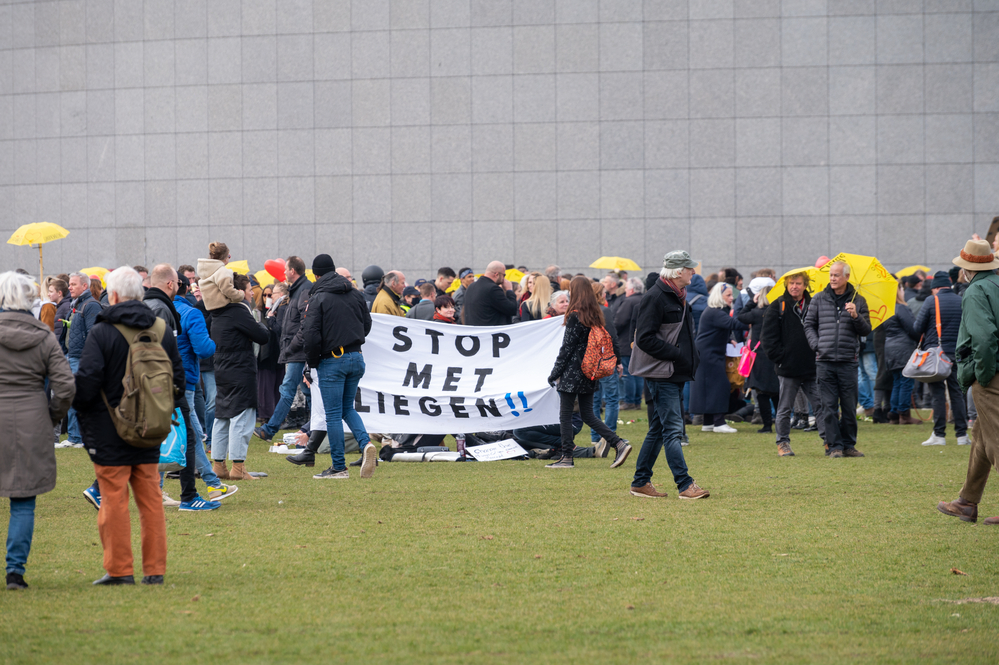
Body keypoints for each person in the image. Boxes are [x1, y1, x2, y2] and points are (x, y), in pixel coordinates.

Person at [73, 267, 187, 585]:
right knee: (150, 500)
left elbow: (86, 382)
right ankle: (155, 570)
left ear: (114, 296)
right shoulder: (162, 329)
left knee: (114, 500)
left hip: (108, 429)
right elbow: (178, 380)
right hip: (150, 428)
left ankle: (120, 570)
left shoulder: (102, 331)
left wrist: (82, 410)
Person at [0, 272, 76, 590]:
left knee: (23, 498)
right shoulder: (44, 336)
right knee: (23, 499)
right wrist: (51, 418)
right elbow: (65, 386)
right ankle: (15, 570)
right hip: (31, 418)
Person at [628, 251, 709, 499]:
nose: (693, 272)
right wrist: (676, 354)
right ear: (676, 272)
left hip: (673, 373)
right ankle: (684, 485)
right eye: (689, 268)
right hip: (663, 374)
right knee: (673, 430)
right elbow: (644, 339)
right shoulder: (656, 297)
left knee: (658, 429)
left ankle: (640, 482)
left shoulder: (677, 295)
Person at [937, 239, 999, 524]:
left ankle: (967, 502)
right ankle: (967, 502)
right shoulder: (995, 285)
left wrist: (982, 376)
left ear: (966, 270)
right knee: (981, 440)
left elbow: (984, 339)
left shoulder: (975, 291)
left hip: (991, 376)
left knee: (994, 439)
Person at [546, 276, 632, 469]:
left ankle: (567, 457)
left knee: (565, 415)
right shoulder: (595, 314)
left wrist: (554, 373)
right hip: (590, 370)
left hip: (573, 372)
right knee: (588, 414)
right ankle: (618, 443)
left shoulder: (575, 315)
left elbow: (566, 349)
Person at [303, 254, 376, 479]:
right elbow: (367, 325)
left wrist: (312, 362)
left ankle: (338, 467)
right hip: (356, 356)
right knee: (348, 409)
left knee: (333, 415)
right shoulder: (355, 293)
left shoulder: (318, 297)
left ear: (316, 275)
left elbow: (311, 334)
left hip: (332, 360)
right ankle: (365, 444)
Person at [174, 276, 237, 502]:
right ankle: (212, 484)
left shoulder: (154, 309)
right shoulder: (191, 313)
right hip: (184, 379)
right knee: (191, 435)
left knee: (168, 434)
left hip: (155, 379)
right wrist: (214, 341)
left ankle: (159, 489)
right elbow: (204, 349)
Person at [803, 261, 872, 458]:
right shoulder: (818, 299)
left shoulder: (858, 301)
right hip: (824, 362)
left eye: (836, 275)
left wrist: (856, 316)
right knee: (829, 406)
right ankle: (834, 446)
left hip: (848, 361)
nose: (832, 278)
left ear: (847, 277)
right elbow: (809, 325)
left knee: (849, 407)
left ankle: (849, 445)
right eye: (831, 275)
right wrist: (817, 345)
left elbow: (866, 330)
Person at [761, 270, 827, 457]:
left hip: (811, 367)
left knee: (820, 405)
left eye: (798, 283)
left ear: (805, 285)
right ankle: (782, 443)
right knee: (785, 408)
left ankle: (828, 441)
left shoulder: (815, 305)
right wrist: (781, 357)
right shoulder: (777, 306)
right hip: (788, 368)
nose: (794, 287)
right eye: (791, 283)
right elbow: (767, 339)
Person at [212, 274, 270, 481]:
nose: (251, 293)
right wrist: (263, 323)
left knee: (223, 415)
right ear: (239, 292)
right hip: (240, 368)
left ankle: (218, 464)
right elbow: (262, 336)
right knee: (241, 416)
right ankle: (238, 467)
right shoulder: (239, 311)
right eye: (248, 289)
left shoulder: (218, 311)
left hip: (222, 367)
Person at [254, 257, 312, 442]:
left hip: (298, 351)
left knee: (287, 389)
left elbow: (304, 324)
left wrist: (293, 345)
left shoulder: (303, 291)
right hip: (297, 350)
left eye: (286, 270)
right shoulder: (298, 290)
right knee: (308, 392)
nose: (284, 273)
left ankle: (269, 429)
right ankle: (313, 428)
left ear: (293, 271)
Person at [914, 270, 968, 445]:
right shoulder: (961, 301)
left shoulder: (932, 301)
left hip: (937, 355)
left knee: (937, 394)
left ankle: (939, 435)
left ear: (935, 287)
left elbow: (917, 327)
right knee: (957, 394)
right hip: (957, 354)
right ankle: (962, 435)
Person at [689, 282, 749, 433]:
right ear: (719, 296)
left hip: (707, 353)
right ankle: (719, 423)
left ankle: (708, 422)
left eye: (731, 295)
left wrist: (729, 339)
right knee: (720, 386)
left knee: (708, 387)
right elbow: (734, 324)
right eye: (728, 295)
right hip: (709, 355)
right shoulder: (716, 312)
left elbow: (716, 329)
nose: (731, 298)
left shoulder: (714, 311)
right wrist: (750, 315)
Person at [64, 271, 105, 449]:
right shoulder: (77, 303)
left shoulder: (91, 305)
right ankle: (74, 436)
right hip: (72, 356)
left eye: (73, 284)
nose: (69, 287)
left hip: (81, 358)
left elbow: (93, 334)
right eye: (69, 284)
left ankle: (78, 437)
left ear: (85, 286)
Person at [737, 284, 780, 434]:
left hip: (759, 357)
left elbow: (741, 316)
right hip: (775, 355)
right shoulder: (779, 313)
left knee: (761, 393)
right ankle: (781, 424)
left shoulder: (756, 313)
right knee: (777, 392)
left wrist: (751, 302)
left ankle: (767, 425)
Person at [882, 281, 920, 427]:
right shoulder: (901, 308)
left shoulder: (887, 309)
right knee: (906, 382)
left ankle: (894, 413)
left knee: (897, 382)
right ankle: (904, 414)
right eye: (901, 288)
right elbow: (913, 328)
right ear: (897, 291)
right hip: (903, 348)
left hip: (890, 348)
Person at [614, 277, 645, 410]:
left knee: (627, 373)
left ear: (631, 289)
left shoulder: (629, 302)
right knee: (638, 373)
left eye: (626, 288)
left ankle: (629, 401)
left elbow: (620, 322)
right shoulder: (644, 299)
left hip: (626, 342)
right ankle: (637, 401)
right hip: (639, 342)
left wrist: (612, 333)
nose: (625, 290)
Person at [462, 261, 518, 326]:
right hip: (490, 333)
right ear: (496, 274)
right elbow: (512, 309)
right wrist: (509, 290)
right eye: (504, 275)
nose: (504, 279)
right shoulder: (493, 289)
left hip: (473, 332)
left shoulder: (471, 287)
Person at [196, 242, 245, 311]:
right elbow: (228, 290)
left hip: (211, 309)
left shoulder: (206, 270)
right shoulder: (222, 271)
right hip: (224, 308)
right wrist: (240, 294)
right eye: (229, 256)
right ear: (225, 257)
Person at [47, 278, 71, 351]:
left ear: (59, 293)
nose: (48, 294)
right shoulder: (61, 306)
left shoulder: (66, 306)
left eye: (51, 291)